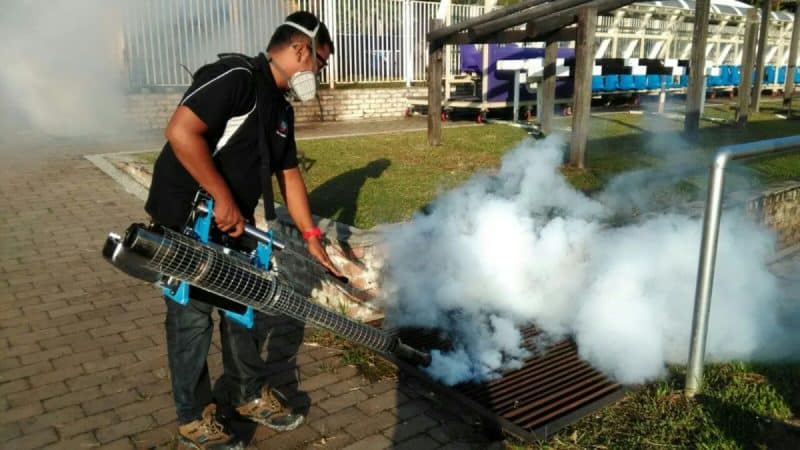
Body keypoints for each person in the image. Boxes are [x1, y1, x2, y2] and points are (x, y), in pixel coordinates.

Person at [144, 11, 341, 450]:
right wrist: (223, 198)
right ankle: (193, 418)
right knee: (191, 318)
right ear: (300, 49)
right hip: (187, 220)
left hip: (232, 227)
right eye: (321, 64)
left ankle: (247, 393)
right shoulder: (234, 77)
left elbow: (289, 176)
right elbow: (180, 131)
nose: (320, 75)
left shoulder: (281, 108)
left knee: (241, 310)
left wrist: (311, 239)